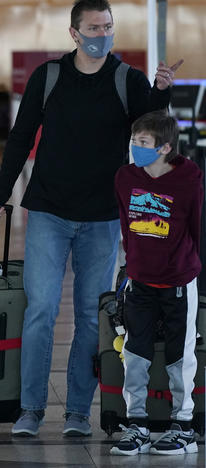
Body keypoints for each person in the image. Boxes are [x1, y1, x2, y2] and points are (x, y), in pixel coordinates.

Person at [0, 0, 182, 437]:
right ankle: (30, 410)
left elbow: (152, 132)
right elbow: (20, 138)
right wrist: (1, 191)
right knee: (41, 311)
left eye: (108, 27)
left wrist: (162, 92)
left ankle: (76, 411)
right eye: (93, 27)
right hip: (50, 211)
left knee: (92, 317)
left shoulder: (126, 79)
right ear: (74, 33)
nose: (102, 35)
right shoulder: (48, 77)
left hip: (103, 216)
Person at [110, 110, 202, 456]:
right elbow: (125, 222)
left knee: (181, 356)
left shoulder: (188, 177)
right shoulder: (125, 177)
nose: (136, 148)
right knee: (134, 352)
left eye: (144, 143)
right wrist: (135, 262)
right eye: (134, 141)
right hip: (141, 281)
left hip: (178, 281)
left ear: (164, 147)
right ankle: (137, 423)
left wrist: (184, 264)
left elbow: (196, 223)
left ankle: (184, 424)